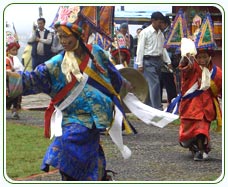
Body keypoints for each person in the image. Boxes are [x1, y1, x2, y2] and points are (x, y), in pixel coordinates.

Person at [6, 6, 133, 181]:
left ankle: (99, 178)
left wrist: (123, 86)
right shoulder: (56, 64)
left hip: (95, 119)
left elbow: (113, 76)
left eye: (66, 36)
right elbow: (33, 78)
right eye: (60, 37)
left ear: (78, 36)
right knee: (67, 142)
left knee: (92, 154)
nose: (63, 41)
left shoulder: (96, 53)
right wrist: (7, 78)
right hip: (72, 118)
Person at [178, 37, 222, 161]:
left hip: (206, 107)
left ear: (209, 57)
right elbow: (184, 68)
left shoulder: (217, 72)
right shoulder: (192, 68)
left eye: (204, 57)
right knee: (190, 131)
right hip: (191, 106)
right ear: (195, 58)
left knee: (202, 129)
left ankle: (201, 149)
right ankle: (195, 147)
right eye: (199, 57)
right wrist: (185, 58)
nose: (202, 60)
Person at [135, 11, 171, 110]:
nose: (161, 24)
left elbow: (162, 49)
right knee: (155, 84)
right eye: (159, 22)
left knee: (150, 85)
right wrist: (140, 64)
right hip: (148, 61)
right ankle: (157, 108)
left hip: (158, 61)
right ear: (153, 21)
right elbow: (140, 48)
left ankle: (147, 107)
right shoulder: (145, 32)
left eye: (161, 22)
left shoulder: (161, 34)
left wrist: (168, 62)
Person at [6, 31, 24, 119]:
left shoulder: (14, 58)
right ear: (8, 50)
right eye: (13, 50)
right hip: (7, 82)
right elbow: (7, 71)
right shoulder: (6, 59)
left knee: (17, 93)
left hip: (13, 82)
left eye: (16, 50)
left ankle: (15, 110)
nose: (15, 51)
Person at [159, 16, 177, 104]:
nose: (159, 25)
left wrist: (167, 61)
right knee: (164, 82)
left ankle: (173, 102)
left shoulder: (169, 33)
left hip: (168, 61)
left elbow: (168, 48)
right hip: (165, 61)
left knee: (169, 83)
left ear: (165, 23)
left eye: (161, 23)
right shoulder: (165, 32)